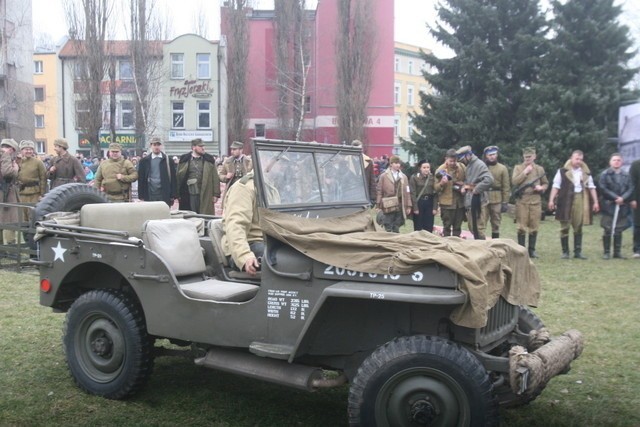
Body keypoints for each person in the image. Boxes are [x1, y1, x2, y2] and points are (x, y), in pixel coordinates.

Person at [548, 150, 600, 259]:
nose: (579, 161)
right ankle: (565, 252)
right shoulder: (562, 171)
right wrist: (551, 200)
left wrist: (595, 202)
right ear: (571, 158)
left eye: (581, 159)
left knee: (578, 225)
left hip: (580, 198)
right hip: (565, 199)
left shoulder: (585, 173)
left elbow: (592, 187)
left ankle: (577, 252)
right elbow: (556, 186)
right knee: (565, 225)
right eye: (577, 159)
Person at [221, 171, 263, 276]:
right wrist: (245, 256)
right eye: (281, 162)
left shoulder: (270, 187)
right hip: (247, 246)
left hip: (268, 243)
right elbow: (235, 225)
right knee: (284, 260)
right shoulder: (245, 187)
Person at [512, 147, 548, 258]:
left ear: (534, 156)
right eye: (526, 156)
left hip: (535, 200)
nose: (528, 158)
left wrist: (541, 188)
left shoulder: (539, 170)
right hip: (522, 200)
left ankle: (532, 250)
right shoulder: (518, 168)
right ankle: (522, 250)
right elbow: (514, 181)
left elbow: (546, 183)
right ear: (523, 157)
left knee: (534, 226)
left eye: (530, 156)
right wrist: (525, 173)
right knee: (521, 227)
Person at [598, 153, 634, 259]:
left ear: (621, 162)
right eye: (614, 160)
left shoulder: (626, 175)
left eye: (618, 160)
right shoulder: (605, 174)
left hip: (622, 206)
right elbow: (603, 188)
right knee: (608, 228)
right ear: (610, 162)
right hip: (609, 206)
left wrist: (623, 198)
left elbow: (631, 188)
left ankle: (617, 252)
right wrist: (615, 198)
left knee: (619, 229)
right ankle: (606, 252)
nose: (616, 162)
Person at [455, 145, 493, 240]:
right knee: (472, 227)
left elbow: (489, 180)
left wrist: (476, 189)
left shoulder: (479, 164)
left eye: (462, 159)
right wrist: (464, 186)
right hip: (470, 201)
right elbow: (472, 180)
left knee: (478, 229)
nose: (462, 161)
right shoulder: (470, 165)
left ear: (468, 156)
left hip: (478, 201)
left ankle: (482, 250)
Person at [177, 138, 220, 215]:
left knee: (204, 214)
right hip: (188, 193)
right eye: (200, 146)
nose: (203, 148)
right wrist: (177, 193)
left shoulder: (209, 159)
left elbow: (215, 178)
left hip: (205, 192)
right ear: (193, 147)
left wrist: (216, 194)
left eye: (203, 146)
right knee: (189, 214)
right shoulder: (184, 159)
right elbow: (178, 177)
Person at [434, 149, 466, 237]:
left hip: (459, 203)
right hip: (446, 203)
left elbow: (468, 180)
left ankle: (456, 245)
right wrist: (442, 183)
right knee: (447, 226)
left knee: (457, 227)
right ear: (446, 159)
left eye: (455, 161)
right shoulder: (440, 170)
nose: (453, 163)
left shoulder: (462, 167)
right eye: (450, 161)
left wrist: (463, 185)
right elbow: (435, 188)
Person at [137, 137, 177, 206]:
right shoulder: (144, 161)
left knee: (164, 214)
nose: (156, 147)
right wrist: (141, 195)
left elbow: (173, 178)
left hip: (164, 193)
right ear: (151, 146)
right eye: (154, 145)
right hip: (150, 193)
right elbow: (141, 179)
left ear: (161, 146)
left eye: (158, 145)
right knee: (151, 214)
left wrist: (173, 195)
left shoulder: (168, 161)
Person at [376, 155, 411, 233]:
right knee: (388, 224)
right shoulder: (383, 176)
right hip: (388, 203)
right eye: (396, 163)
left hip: (400, 204)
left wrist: (408, 205)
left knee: (397, 224)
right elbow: (379, 191)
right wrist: (378, 204)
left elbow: (407, 192)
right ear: (391, 164)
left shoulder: (403, 177)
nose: (398, 165)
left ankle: (396, 238)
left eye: (399, 163)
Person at [482, 145, 511, 238]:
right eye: (489, 155)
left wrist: (505, 202)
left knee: (496, 222)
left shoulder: (502, 168)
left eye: (493, 154)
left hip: (497, 199)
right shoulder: (482, 167)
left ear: (497, 155)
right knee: (482, 221)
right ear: (486, 156)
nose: (491, 156)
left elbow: (506, 186)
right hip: (484, 197)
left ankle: (495, 241)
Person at [17, 140, 47, 222]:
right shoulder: (18, 162)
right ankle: (25, 234)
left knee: (33, 215)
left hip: (35, 193)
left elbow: (43, 178)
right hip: (21, 192)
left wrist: (42, 194)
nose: (29, 151)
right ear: (21, 150)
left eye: (31, 149)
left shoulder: (38, 162)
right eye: (26, 149)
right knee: (23, 217)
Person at [1, 139, 20, 248]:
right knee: (10, 219)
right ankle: (10, 247)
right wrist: (16, 169)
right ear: (11, 149)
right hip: (5, 191)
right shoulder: (5, 155)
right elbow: (7, 173)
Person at [409, 160, 437, 232]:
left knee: (429, 225)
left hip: (429, 203)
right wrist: (415, 208)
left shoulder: (432, 178)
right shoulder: (414, 178)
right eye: (424, 167)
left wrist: (435, 207)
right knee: (418, 226)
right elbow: (412, 193)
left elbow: (435, 193)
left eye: (428, 167)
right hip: (419, 202)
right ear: (420, 168)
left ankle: (428, 241)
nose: (426, 169)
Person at [352, 140, 377, 204]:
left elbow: (372, 180)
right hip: (350, 195)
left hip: (364, 195)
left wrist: (373, 198)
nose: (359, 151)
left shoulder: (368, 161)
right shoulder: (346, 161)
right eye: (357, 149)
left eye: (360, 149)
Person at [631, 158, 640, 258]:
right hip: (638, 200)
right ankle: (637, 249)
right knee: (638, 225)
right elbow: (632, 183)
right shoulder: (636, 165)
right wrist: (633, 199)